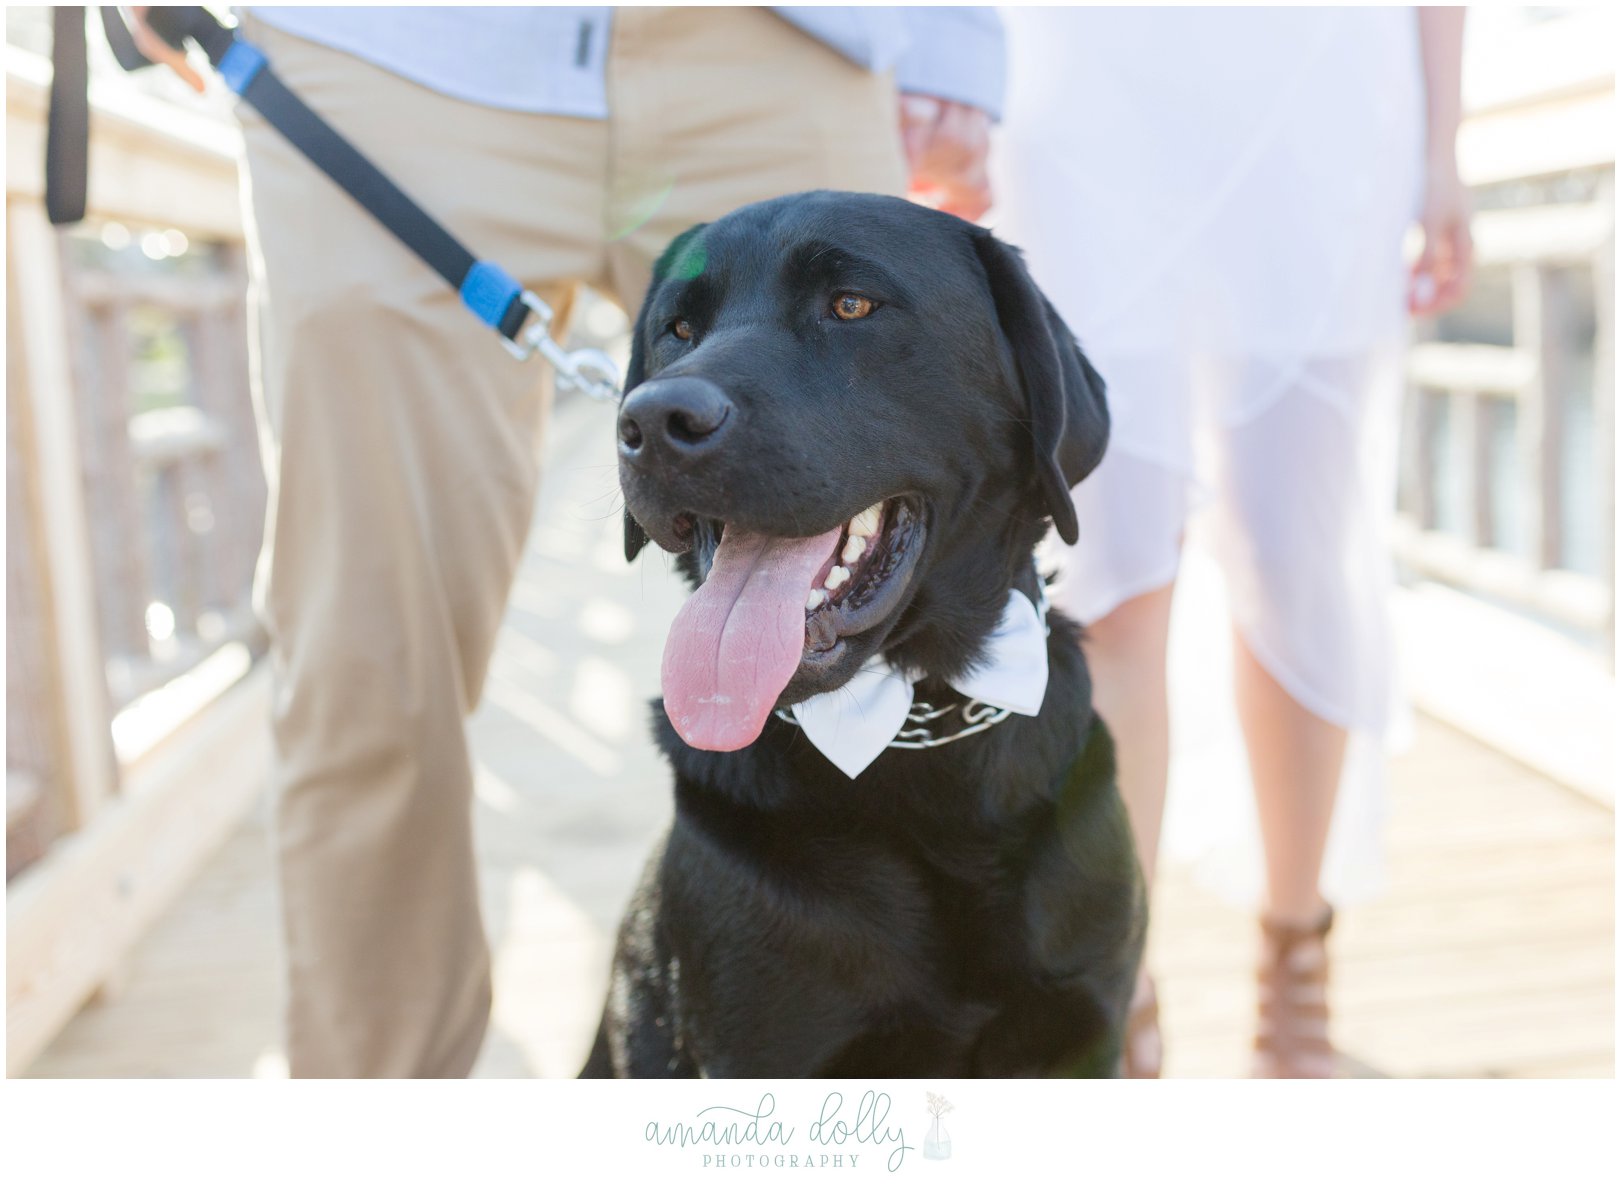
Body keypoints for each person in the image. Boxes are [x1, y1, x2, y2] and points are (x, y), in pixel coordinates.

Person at [128, 4, 1004, 1077]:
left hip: (780, 53)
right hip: (385, 57)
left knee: (908, 643)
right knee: (365, 663)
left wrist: (956, 40)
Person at [992, 7, 1472, 1077]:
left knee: (1297, 555)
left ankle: (1294, 966)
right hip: (1087, 82)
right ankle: (1114, 987)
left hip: (1319, 85)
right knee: (1108, 575)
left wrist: (1444, 147)